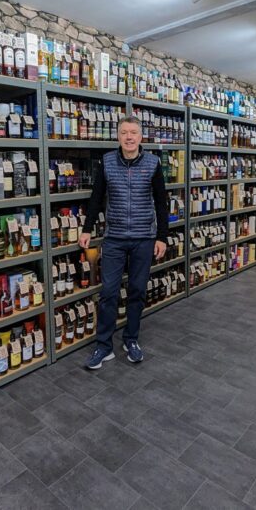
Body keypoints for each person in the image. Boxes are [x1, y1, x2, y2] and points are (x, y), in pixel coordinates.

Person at [79, 116, 168, 369]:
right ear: (118, 136)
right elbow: (96, 198)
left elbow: (162, 202)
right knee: (108, 293)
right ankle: (104, 346)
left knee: (138, 291)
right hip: (115, 238)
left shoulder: (153, 163)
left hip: (144, 238)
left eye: (134, 133)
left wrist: (162, 236)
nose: (129, 137)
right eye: (124, 133)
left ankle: (131, 340)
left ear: (141, 137)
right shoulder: (107, 162)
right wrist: (87, 229)